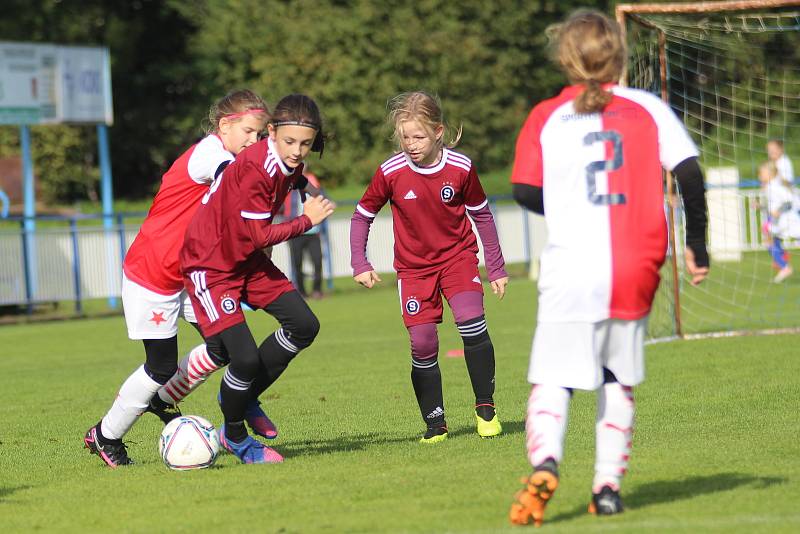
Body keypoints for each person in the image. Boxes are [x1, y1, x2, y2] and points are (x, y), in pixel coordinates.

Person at [507, 10, 709, 526]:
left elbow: (525, 191)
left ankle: (546, 461)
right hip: (636, 264)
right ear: (618, 56)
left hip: (573, 265)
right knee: (617, 378)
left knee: (553, 377)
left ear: (565, 58)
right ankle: (608, 490)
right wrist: (698, 247)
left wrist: (573, 207)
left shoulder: (547, 114)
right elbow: (689, 173)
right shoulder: (647, 107)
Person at [84, 90, 271, 468]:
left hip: (189, 274)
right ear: (224, 126)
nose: (255, 141)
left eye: (261, 134)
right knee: (160, 365)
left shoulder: (231, 156)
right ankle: (105, 435)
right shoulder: (210, 154)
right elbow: (230, 181)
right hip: (154, 272)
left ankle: (162, 399)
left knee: (223, 346)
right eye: (250, 132)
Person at [180, 94, 334, 464]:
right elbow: (258, 237)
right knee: (244, 359)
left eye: (305, 143)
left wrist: (305, 189)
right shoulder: (256, 169)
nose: (297, 151)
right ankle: (234, 435)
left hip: (244, 260)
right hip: (211, 265)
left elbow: (292, 176)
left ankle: (243, 398)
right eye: (290, 142)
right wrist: (306, 221)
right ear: (271, 133)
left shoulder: (285, 160)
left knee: (304, 325)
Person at [350, 91, 508, 444]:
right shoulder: (390, 172)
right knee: (422, 344)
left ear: (438, 131)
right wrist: (360, 261)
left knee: (471, 324)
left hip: (458, 260)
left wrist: (495, 267)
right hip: (414, 271)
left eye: (418, 136)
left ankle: (486, 409)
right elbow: (362, 215)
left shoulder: (461, 168)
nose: (410, 144)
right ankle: (436, 424)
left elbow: (481, 215)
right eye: (405, 137)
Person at [284, 170, 326, 298]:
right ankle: (301, 292)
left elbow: (323, 197)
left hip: (313, 231)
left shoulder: (312, 181)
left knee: (317, 261)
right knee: (297, 263)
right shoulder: (288, 186)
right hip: (296, 231)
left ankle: (317, 290)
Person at [758, 160, 800, 282]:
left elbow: (788, 201)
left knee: (769, 239)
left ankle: (783, 263)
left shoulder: (775, 186)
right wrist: (760, 206)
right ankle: (784, 265)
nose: (759, 176)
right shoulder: (770, 187)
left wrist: (779, 211)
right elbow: (773, 207)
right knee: (769, 240)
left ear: (770, 173)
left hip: (789, 221)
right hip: (780, 222)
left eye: (761, 173)